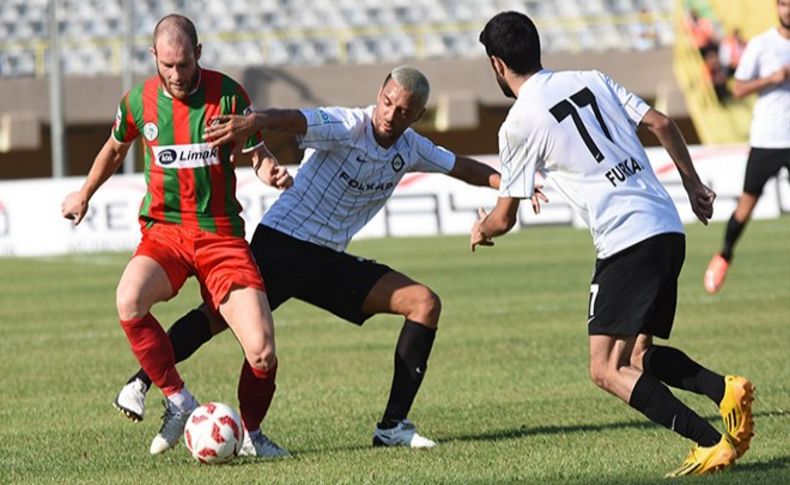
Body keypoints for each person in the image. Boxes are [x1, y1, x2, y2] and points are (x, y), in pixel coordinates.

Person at [112, 65, 502, 448]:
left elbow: (463, 167)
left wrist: (512, 186)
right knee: (213, 320)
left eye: (403, 111)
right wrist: (254, 122)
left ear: (417, 115)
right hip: (283, 243)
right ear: (379, 96)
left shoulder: (412, 147)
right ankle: (142, 381)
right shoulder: (349, 125)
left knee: (424, 304)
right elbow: (294, 119)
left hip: (329, 261)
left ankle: (392, 427)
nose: (390, 114)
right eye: (386, 102)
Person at [472, 11, 754, 477]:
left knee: (604, 368)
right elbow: (662, 123)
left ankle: (710, 442)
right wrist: (692, 186)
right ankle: (724, 389)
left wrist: (482, 229)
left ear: (497, 64)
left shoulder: (518, 123)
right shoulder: (591, 78)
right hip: (666, 226)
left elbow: (505, 216)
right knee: (637, 357)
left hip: (625, 240)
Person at [61, 14, 292, 458]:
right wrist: (85, 193)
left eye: (184, 64)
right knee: (128, 299)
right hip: (164, 232)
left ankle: (253, 435)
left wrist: (271, 172)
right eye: (167, 65)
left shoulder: (228, 94)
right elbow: (114, 147)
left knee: (262, 353)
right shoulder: (138, 102)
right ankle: (177, 397)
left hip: (221, 237)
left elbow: (255, 153)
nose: (176, 75)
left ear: (198, 55)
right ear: (154, 58)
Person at [705, 0, 790, 294]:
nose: (787, 10)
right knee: (747, 204)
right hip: (768, 138)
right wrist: (772, 78)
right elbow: (738, 88)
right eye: (783, 4)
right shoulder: (762, 44)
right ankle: (724, 255)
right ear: (776, 8)